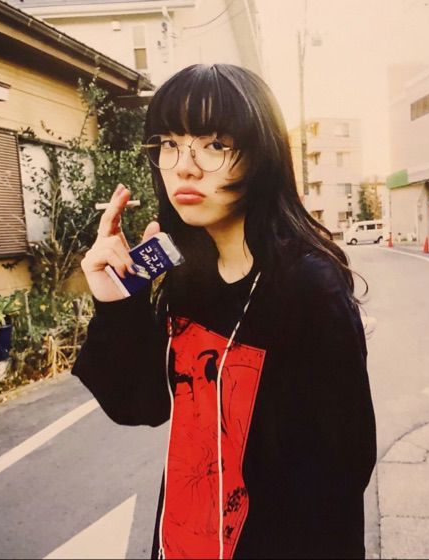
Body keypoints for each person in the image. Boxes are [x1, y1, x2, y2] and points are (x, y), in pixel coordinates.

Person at [72, 63, 377, 559]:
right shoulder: (185, 273)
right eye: (169, 143)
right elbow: (141, 407)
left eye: (214, 144)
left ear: (261, 157)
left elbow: (342, 472)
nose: (185, 167)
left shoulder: (307, 287)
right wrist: (115, 301)